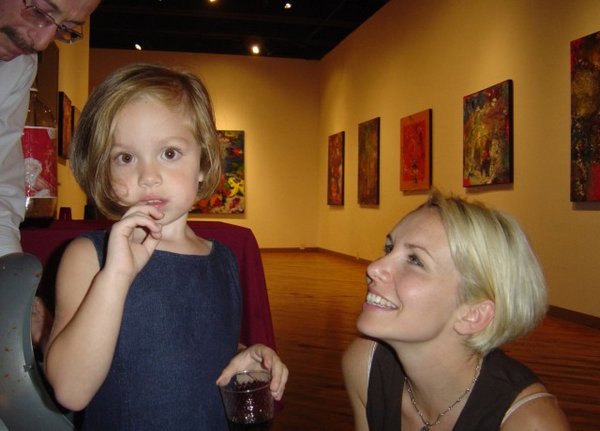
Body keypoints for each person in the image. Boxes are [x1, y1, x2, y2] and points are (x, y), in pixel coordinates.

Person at [43, 63, 288, 430]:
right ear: (104, 172)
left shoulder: (222, 260)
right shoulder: (89, 257)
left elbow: (191, 351)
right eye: (125, 157)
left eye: (169, 153)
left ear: (203, 162)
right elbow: (71, 390)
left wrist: (244, 356)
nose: (148, 176)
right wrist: (117, 275)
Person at [342, 191, 570, 430]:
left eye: (415, 260)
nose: (374, 267)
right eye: (389, 248)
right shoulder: (365, 365)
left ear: (473, 313)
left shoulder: (530, 423)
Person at [1, 0, 101, 350]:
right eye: (41, 11)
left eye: (64, 28)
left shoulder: (18, 65)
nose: (42, 42)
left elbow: (2, 190)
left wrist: (18, 302)